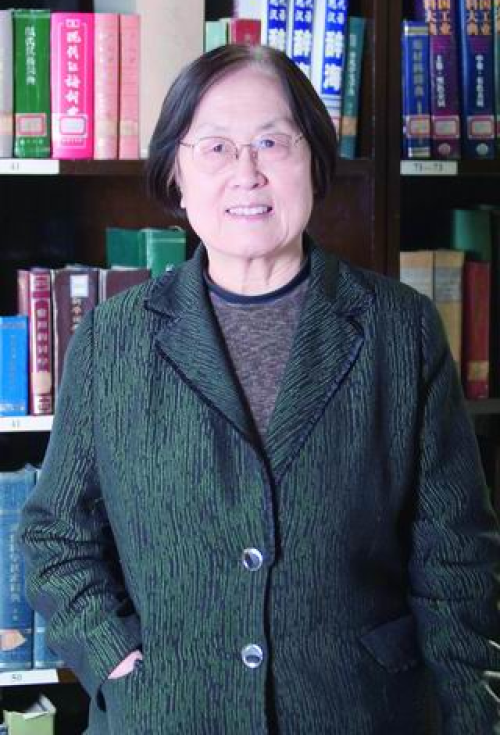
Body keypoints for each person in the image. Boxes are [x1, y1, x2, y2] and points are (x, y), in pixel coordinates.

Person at [18, 44, 500, 734]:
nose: (247, 172)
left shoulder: (401, 330)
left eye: (272, 141)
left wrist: (468, 716)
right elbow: (54, 535)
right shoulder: (111, 340)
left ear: (315, 161)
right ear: (177, 173)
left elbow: (455, 556)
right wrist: (112, 656)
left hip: (360, 712)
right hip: (166, 714)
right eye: (216, 147)